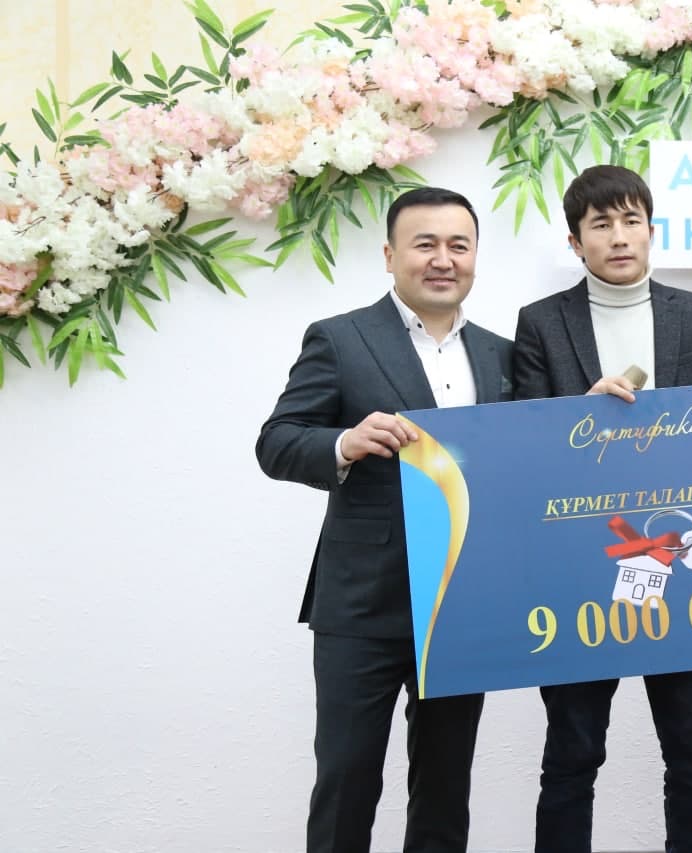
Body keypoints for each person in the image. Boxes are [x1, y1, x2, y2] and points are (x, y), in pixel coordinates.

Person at [256, 186, 513, 853]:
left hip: (459, 601)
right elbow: (277, 441)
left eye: (458, 245)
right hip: (362, 603)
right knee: (346, 781)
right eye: (425, 243)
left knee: (445, 787)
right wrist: (344, 441)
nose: (442, 259)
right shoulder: (340, 338)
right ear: (391, 255)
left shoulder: (502, 354)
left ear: (475, 256)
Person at [513, 164, 692, 853]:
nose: (618, 237)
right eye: (600, 225)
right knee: (572, 754)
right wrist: (574, 418)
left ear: (650, 230)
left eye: (630, 221)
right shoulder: (540, 323)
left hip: (681, 554)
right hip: (585, 566)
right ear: (576, 241)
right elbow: (519, 442)